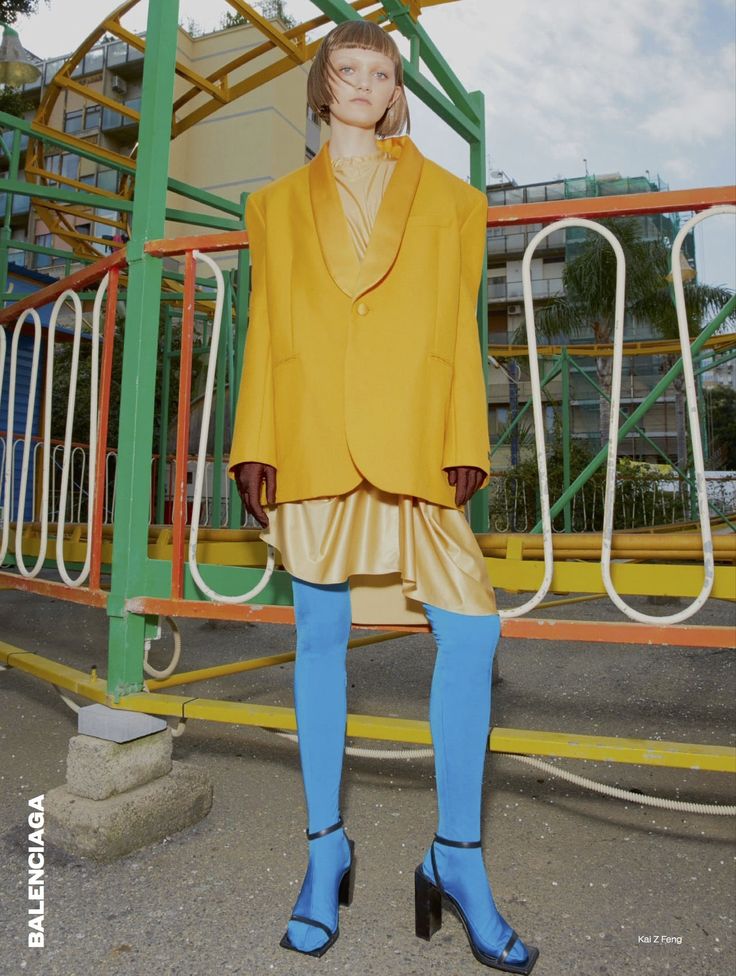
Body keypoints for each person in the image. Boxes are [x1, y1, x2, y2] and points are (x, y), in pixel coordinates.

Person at [227, 18, 539, 974]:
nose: (361, 83)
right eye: (345, 69)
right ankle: (326, 855)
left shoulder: (451, 200)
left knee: (472, 631)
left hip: (413, 437)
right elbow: (266, 321)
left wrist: (465, 435)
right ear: (323, 87)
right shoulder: (273, 204)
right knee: (317, 637)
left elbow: (459, 321)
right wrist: (255, 440)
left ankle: (457, 858)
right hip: (313, 432)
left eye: (378, 72)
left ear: (394, 91)